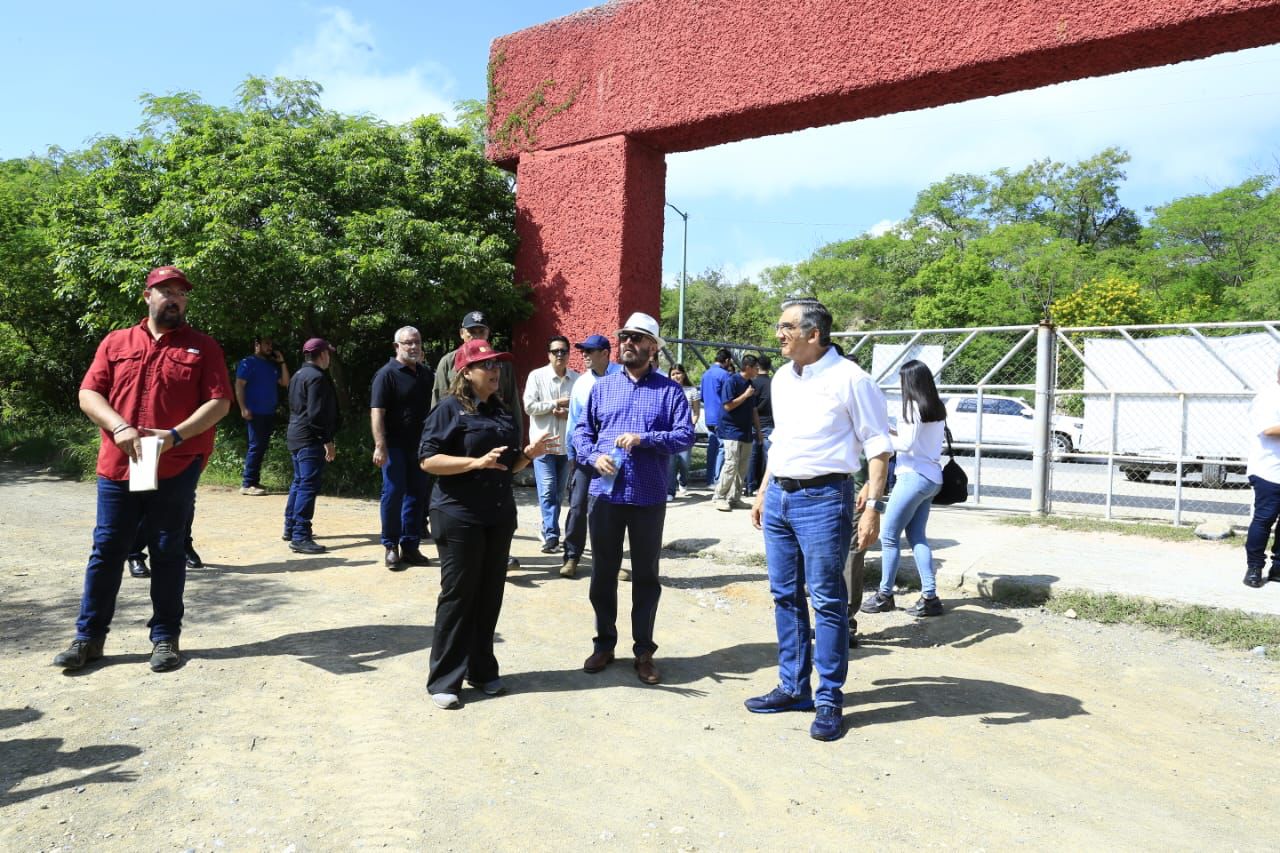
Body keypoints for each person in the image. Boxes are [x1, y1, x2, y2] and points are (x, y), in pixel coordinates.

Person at [53, 265, 231, 673]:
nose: (175, 299)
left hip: (175, 464)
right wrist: (119, 427)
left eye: (181, 293)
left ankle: (165, 637)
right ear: (147, 296)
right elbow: (89, 393)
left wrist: (174, 436)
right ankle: (88, 638)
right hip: (120, 464)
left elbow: (219, 402)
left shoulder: (203, 347)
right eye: (166, 291)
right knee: (107, 549)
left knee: (167, 549)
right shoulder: (116, 342)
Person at [746, 298, 891, 741]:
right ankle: (793, 687)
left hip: (825, 499)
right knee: (784, 595)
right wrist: (764, 490)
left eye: (787, 326)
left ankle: (829, 698)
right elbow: (782, 439)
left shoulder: (851, 379)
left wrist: (873, 507)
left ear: (814, 334)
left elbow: (878, 446)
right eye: (779, 325)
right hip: (780, 498)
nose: (778, 334)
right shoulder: (783, 379)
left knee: (827, 600)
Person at [419, 338, 558, 709]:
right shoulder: (448, 409)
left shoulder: (501, 410)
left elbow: (507, 465)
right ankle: (444, 679)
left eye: (498, 365)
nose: (496, 371)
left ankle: (481, 670)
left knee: (489, 594)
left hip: (497, 515)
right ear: (466, 372)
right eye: (488, 365)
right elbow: (428, 461)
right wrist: (474, 463)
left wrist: (528, 455)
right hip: (458, 515)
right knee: (459, 596)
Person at [575, 312, 694, 685]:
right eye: (624, 336)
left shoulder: (669, 392)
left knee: (645, 576)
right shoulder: (602, 388)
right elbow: (581, 432)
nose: (628, 343)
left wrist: (645, 439)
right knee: (602, 573)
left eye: (637, 338)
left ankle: (643, 651)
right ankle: (604, 644)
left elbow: (685, 436)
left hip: (647, 496)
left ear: (653, 347)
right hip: (605, 495)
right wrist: (594, 457)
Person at [859, 360, 948, 617]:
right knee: (917, 536)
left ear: (909, 381)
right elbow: (916, 440)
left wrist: (880, 437)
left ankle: (884, 595)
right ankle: (930, 597)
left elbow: (906, 445)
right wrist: (890, 430)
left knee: (888, 536)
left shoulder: (912, 407)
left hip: (913, 478)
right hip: (931, 478)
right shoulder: (935, 406)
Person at [371, 326, 434, 571]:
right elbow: (377, 412)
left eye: (417, 342)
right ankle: (390, 546)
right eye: (408, 343)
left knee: (417, 495)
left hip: (420, 447)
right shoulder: (386, 375)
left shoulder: (426, 374)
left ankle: (410, 546)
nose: (413, 347)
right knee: (393, 492)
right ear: (397, 346)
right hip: (393, 446)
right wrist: (380, 445)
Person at [561, 334, 622, 578]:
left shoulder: (622, 377)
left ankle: (610, 562)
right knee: (578, 506)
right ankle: (571, 557)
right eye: (583, 351)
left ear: (605, 353)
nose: (584, 355)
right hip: (586, 455)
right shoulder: (581, 383)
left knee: (610, 510)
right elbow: (573, 422)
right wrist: (571, 454)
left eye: (589, 351)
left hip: (613, 456)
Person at [523, 335, 579, 553]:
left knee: (557, 493)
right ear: (548, 354)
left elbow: (583, 411)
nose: (559, 355)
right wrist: (554, 403)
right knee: (547, 490)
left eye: (563, 351)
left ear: (569, 354)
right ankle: (552, 536)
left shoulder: (576, 379)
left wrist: (568, 413)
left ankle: (547, 529)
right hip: (543, 446)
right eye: (555, 351)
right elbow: (529, 406)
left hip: (566, 447)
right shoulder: (537, 376)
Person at [284, 338, 339, 555]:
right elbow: (316, 415)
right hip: (309, 438)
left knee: (299, 482)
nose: (329, 358)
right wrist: (327, 440)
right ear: (322, 354)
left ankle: (290, 527)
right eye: (328, 354)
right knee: (308, 485)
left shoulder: (298, 375)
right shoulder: (317, 377)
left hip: (295, 434)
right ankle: (300, 536)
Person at [235, 336, 290, 496]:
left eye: (271, 344)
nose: (269, 347)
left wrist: (282, 362)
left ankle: (254, 481)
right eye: (266, 343)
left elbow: (285, 382)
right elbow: (239, 385)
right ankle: (247, 484)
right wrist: (243, 408)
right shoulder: (248, 362)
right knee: (256, 446)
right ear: (257, 344)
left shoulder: (271, 365)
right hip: (254, 412)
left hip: (269, 412)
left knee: (261, 447)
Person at [1244, 360, 1280, 588]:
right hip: (1269, 471)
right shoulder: (1269, 397)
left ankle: (1278, 568)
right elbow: (1268, 429)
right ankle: (1254, 568)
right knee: (1264, 520)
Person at [713, 354, 761, 512]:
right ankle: (719, 496)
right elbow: (727, 406)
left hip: (746, 430)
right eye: (756, 368)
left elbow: (754, 409)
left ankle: (734, 498)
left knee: (743, 466)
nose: (758, 370)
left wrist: (758, 431)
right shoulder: (732, 381)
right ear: (748, 367)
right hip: (730, 429)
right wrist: (745, 395)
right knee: (731, 464)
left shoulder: (750, 384)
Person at [666, 364, 701, 500]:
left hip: (685, 431)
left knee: (684, 462)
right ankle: (670, 491)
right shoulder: (666, 389)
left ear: (684, 374)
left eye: (678, 373)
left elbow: (696, 412)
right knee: (670, 463)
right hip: (670, 432)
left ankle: (683, 481)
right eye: (673, 374)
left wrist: (691, 425)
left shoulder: (692, 391)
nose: (676, 376)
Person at [700, 349, 733, 487]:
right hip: (721, 416)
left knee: (712, 448)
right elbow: (729, 396)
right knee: (721, 448)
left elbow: (702, 397)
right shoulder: (724, 375)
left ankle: (709, 479)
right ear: (727, 360)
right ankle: (716, 478)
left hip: (708, 416)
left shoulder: (706, 374)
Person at [745, 355, 774, 497]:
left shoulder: (752, 383)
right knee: (770, 456)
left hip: (752, 423)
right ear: (769, 366)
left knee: (752, 456)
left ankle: (749, 486)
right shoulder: (774, 383)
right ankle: (768, 486)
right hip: (769, 423)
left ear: (757, 366)